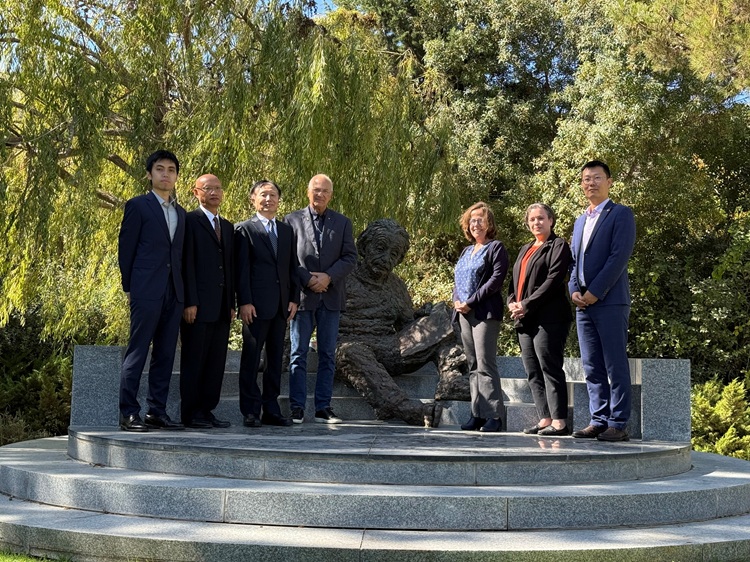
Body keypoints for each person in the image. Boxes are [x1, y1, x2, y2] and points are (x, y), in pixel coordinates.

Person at [336, 219, 456, 427]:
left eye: (393, 254)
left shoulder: (397, 286)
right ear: (364, 247)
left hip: (389, 348)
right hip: (350, 348)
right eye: (380, 249)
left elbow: (407, 326)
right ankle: (402, 407)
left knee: (442, 315)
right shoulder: (342, 277)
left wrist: (423, 317)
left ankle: (451, 378)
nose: (385, 259)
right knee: (349, 351)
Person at [118, 150, 186, 432]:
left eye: (171, 170)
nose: (165, 174)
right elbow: (126, 249)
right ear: (149, 174)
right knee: (137, 351)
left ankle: (156, 411)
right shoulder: (138, 206)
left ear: (176, 176)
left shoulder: (181, 213)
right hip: (146, 289)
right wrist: (130, 287)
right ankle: (129, 413)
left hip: (174, 292)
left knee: (166, 354)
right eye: (160, 169)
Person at [569, 160, 636, 442]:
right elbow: (574, 262)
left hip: (609, 301)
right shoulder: (580, 221)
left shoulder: (620, 214)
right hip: (583, 305)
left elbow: (618, 257)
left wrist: (595, 291)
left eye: (597, 178)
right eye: (586, 179)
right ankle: (598, 419)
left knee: (614, 363)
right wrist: (573, 290)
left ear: (609, 182)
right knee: (591, 365)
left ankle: (617, 422)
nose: (591, 183)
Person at [285, 174, 357, 424]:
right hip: (303, 297)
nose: (320, 194)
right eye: (316, 190)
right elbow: (287, 258)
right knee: (298, 353)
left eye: (325, 191)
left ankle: (323, 407)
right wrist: (307, 278)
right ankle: (297, 407)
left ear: (331, 195)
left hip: (331, 297)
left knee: (327, 354)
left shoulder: (343, 223)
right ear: (308, 192)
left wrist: (328, 277)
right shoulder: (292, 220)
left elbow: (350, 257)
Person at [235, 180, 300, 427]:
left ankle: (271, 409)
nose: (268, 199)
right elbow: (241, 270)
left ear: (278, 200)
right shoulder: (245, 230)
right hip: (255, 306)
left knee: (275, 361)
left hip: (282, 306)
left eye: (273, 195)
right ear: (253, 199)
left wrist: (294, 299)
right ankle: (250, 410)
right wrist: (245, 301)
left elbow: (292, 267)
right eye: (263, 195)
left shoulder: (286, 231)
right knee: (251, 359)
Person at [507, 203, 573, 436]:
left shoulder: (558, 245)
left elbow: (553, 280)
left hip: (550, 317)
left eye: (541, 218)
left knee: (549, 367)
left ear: (551, 220)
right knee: (532, 370)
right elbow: (514, 282)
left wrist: (526, 304)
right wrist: (512, 302)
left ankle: (559, 421)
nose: (537, 222)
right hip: (524, 319)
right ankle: (545, 418)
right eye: (532, 219)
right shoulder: (525, 248)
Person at [179, 174, 235, 429]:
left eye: (218, 188)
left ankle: (207, 410)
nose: (214, 192)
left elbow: (229, 267)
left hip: (222, 306)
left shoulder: (227, 226)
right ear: (196, 192)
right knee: (195, 359)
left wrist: (231, 303)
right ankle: (190, 413)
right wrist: (189, 301)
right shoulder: (189, 221)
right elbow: (186, 263)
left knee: (215, 362)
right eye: (208, 188)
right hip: (197, 306)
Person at [453, 202, 509, 432]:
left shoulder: (496, 248)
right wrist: (457, 301)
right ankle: (477, 414)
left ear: (489, 223)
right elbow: (457, 280)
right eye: (472, 220)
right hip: (464, 313)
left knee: (485, 364)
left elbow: (496, 280)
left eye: (480, 220)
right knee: (473, 365)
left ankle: (495, 416)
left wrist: (471, 301)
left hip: (484, 312)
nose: (475, 224)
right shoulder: (466, 251)